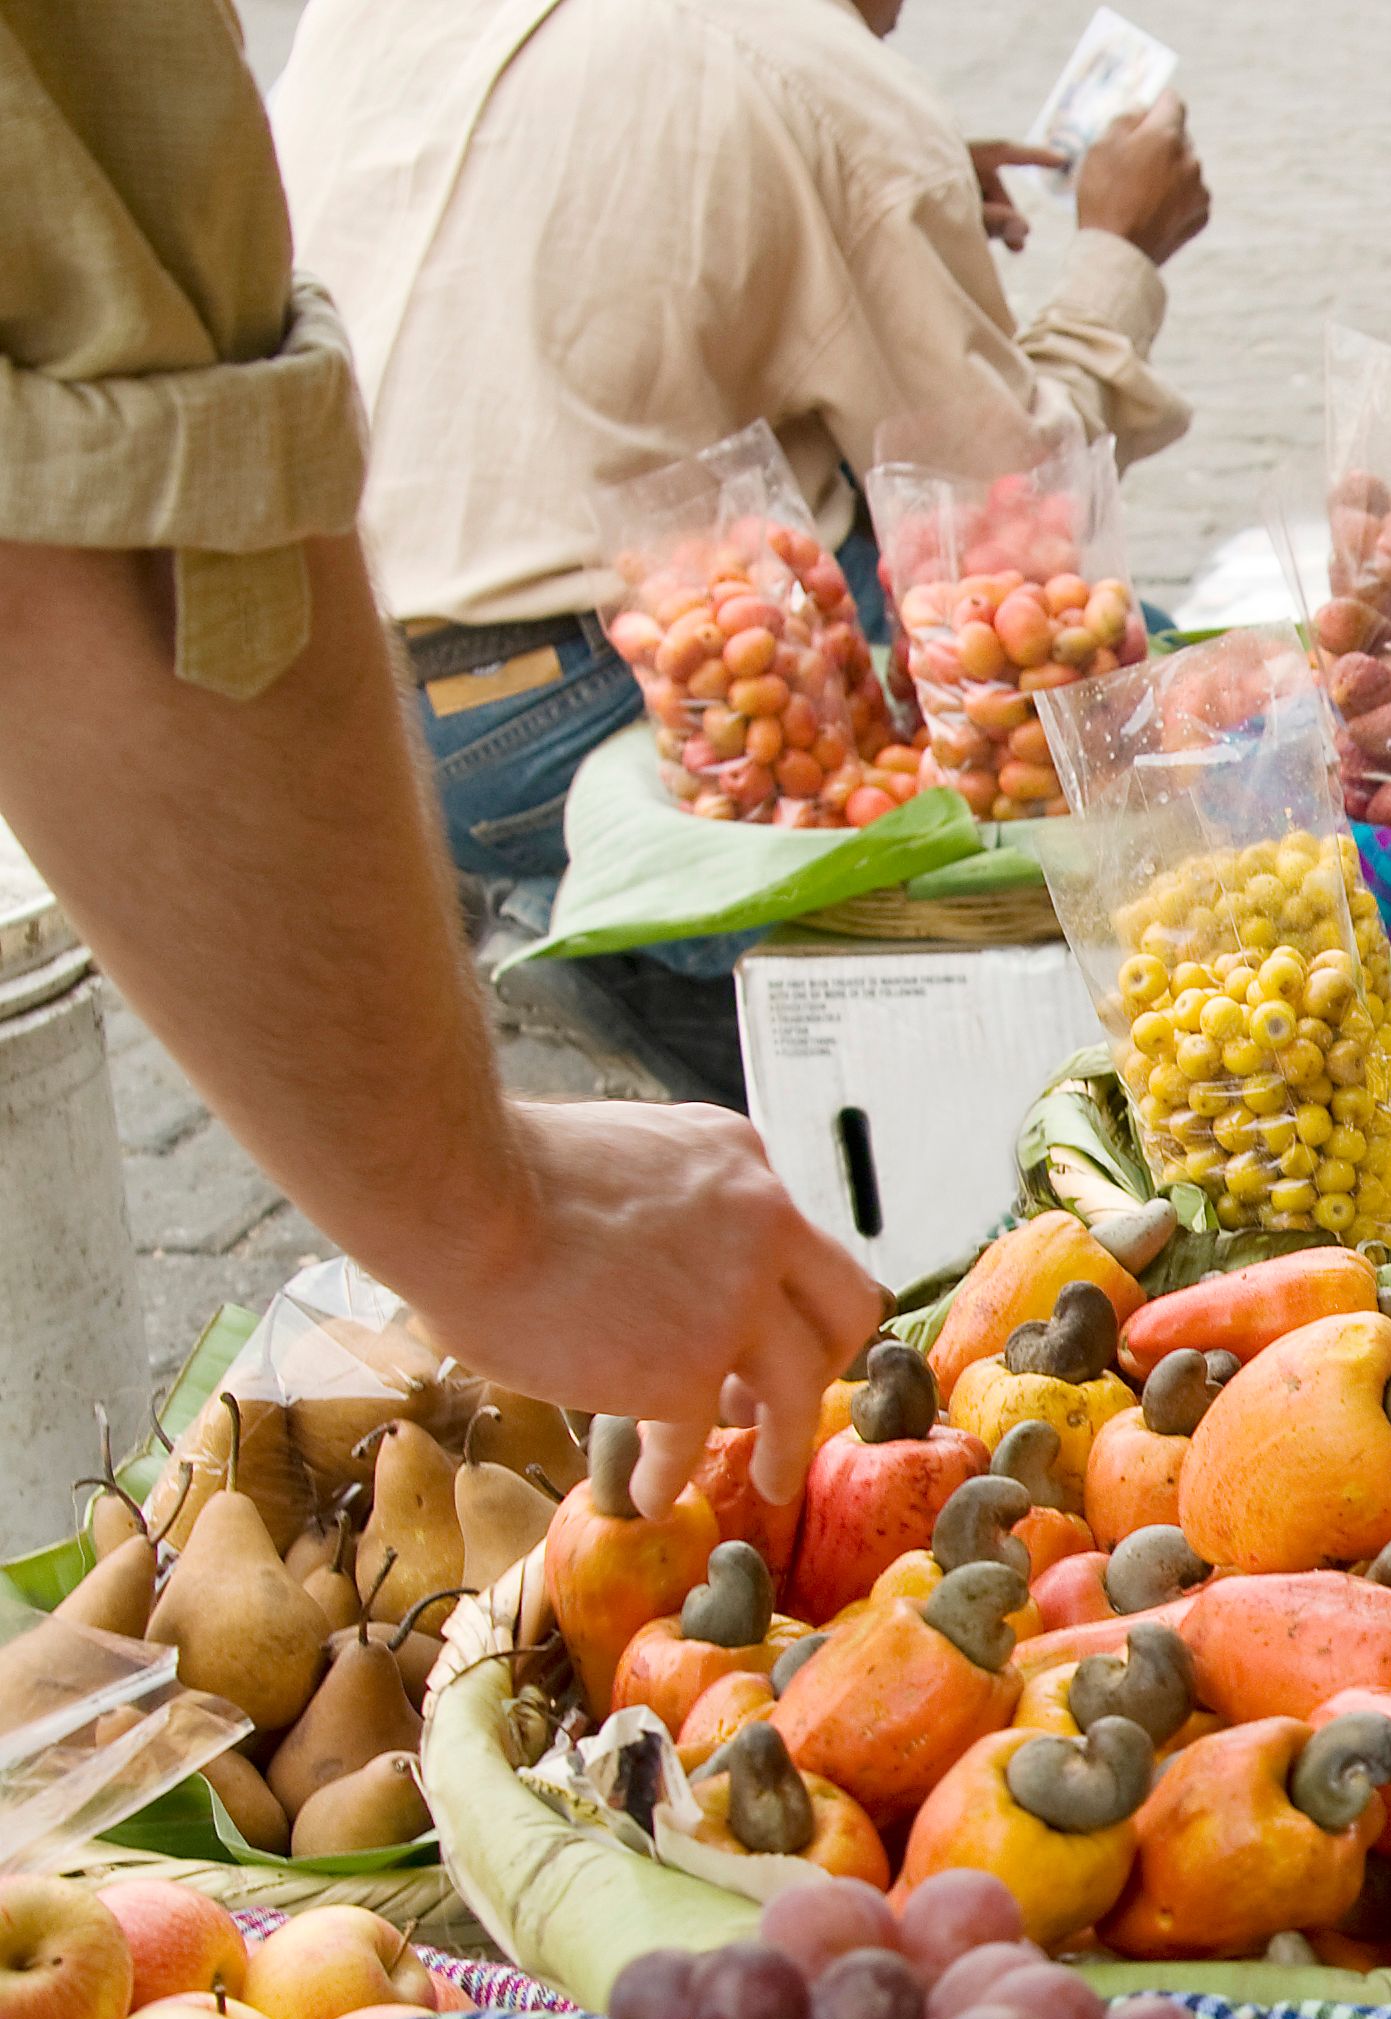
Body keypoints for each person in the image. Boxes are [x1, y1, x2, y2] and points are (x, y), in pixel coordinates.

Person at [0, 2, 872, 1518]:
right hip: (544, 715)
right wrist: (488, 1216)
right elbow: (118, 528)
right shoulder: (818, 79)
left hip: (417, 693)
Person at [268, 0, 1215, 1093]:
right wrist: (1116, 256)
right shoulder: (815, 77)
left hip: (356, 700)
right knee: (1100, 675)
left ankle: (563, 910)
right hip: (581, 708)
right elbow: (1011, 503)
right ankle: (712, 972)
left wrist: (876, 191)